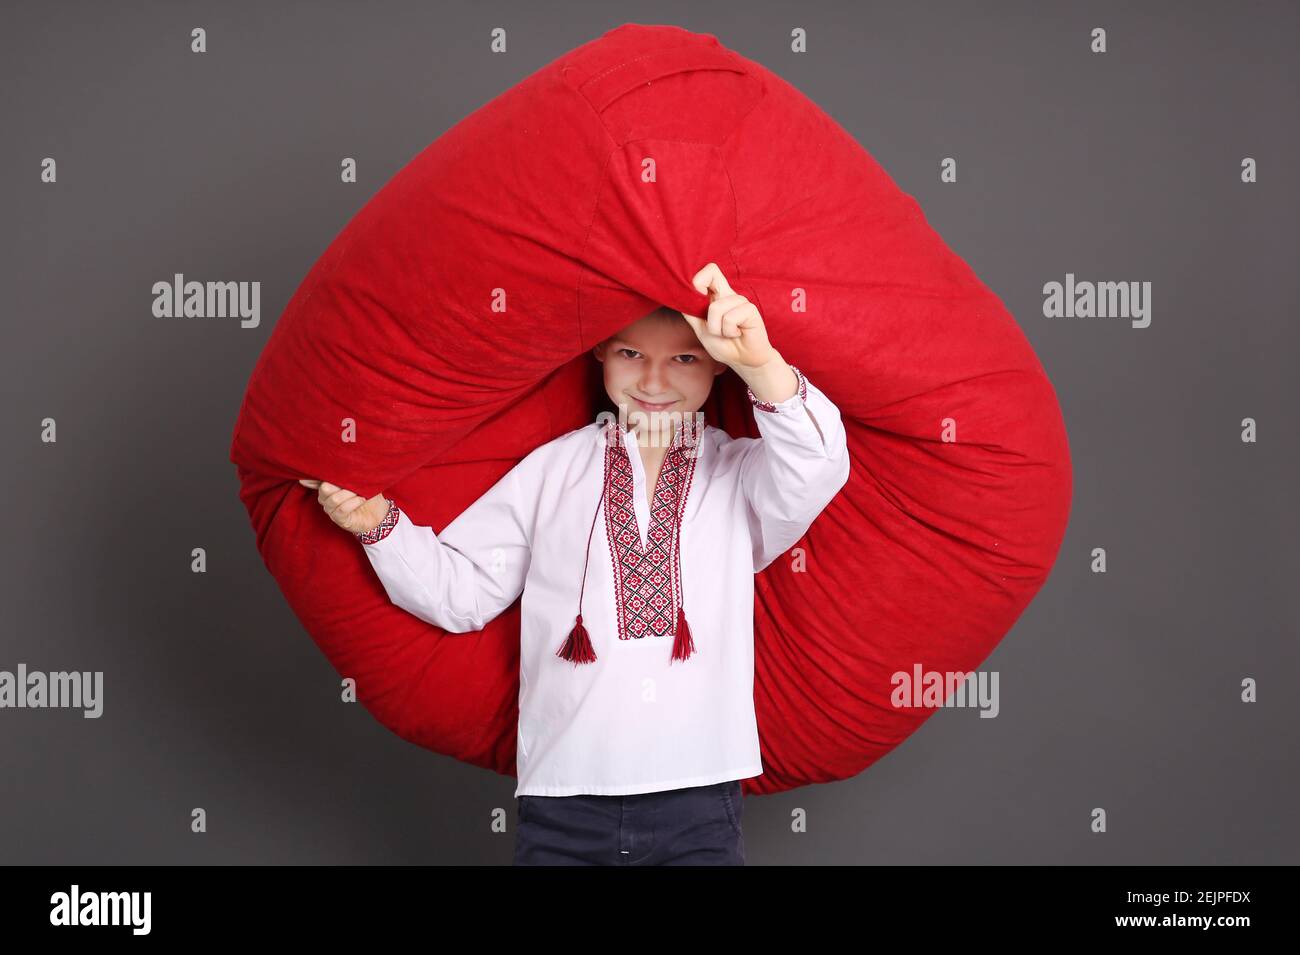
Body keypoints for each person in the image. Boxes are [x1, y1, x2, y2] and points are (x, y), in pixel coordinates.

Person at [300, 263, 851, 865]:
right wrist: (376, 524)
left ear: (719, 363)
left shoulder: (743, 474)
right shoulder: (553, 470)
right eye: (631, 352)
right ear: (598, 349)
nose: (655, 379)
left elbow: (818, 466)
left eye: (686, 359)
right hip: (564, 798)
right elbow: (463, 595)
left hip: (699, 789)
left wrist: (760, 362)